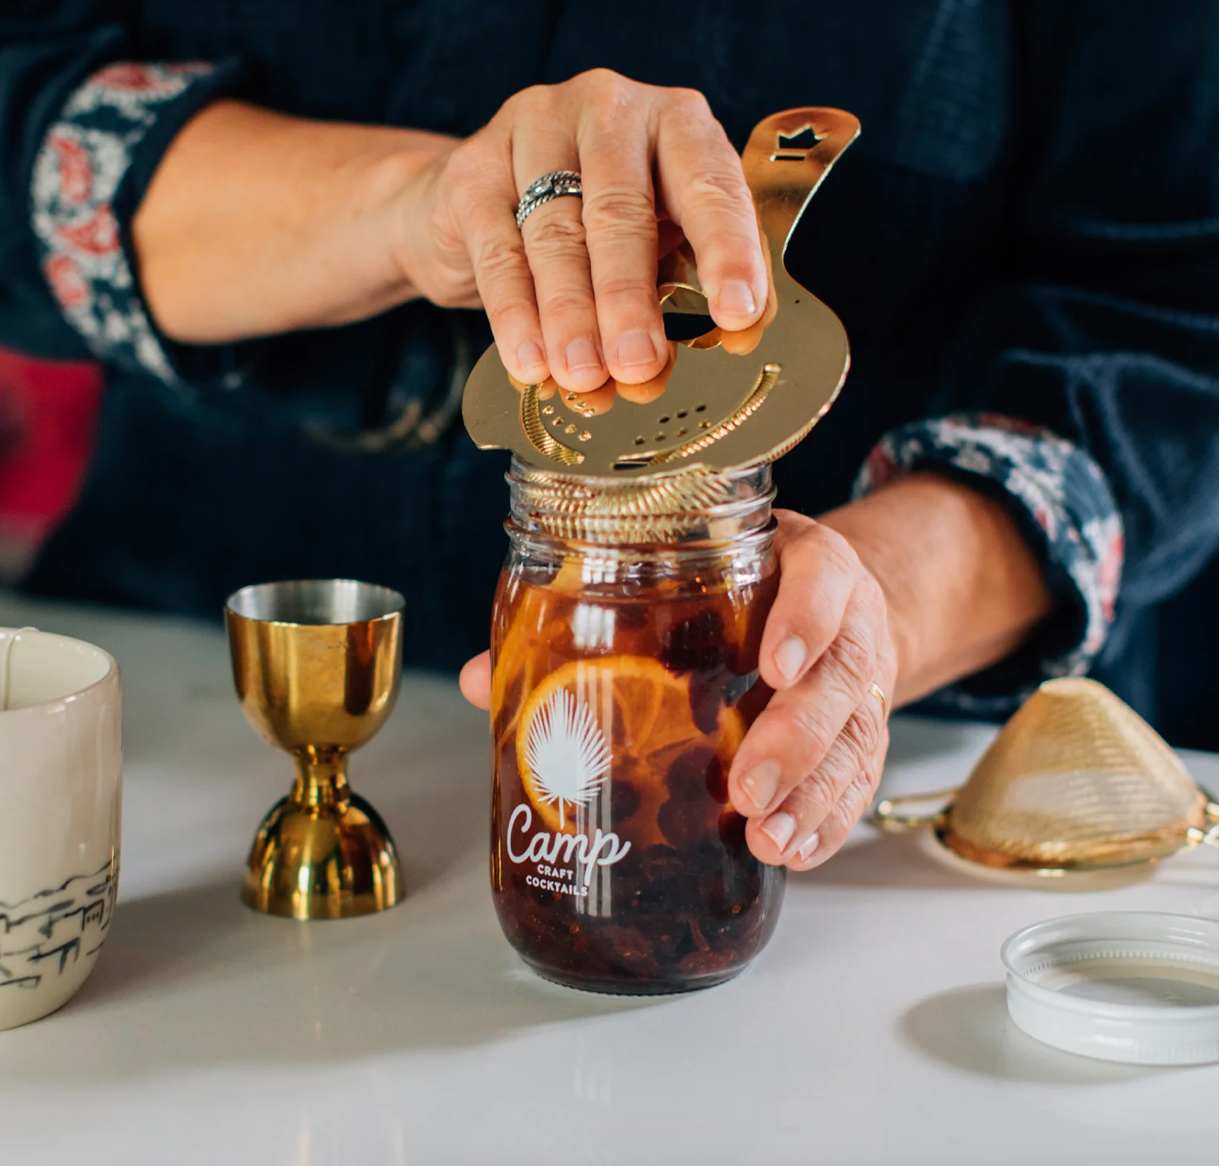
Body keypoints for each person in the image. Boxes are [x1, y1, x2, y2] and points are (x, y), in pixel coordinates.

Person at [0, 2, 1214, 872]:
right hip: (169, 714)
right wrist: (411, 207)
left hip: (880, 791)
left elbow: (1178, 310)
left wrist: (874, 605)